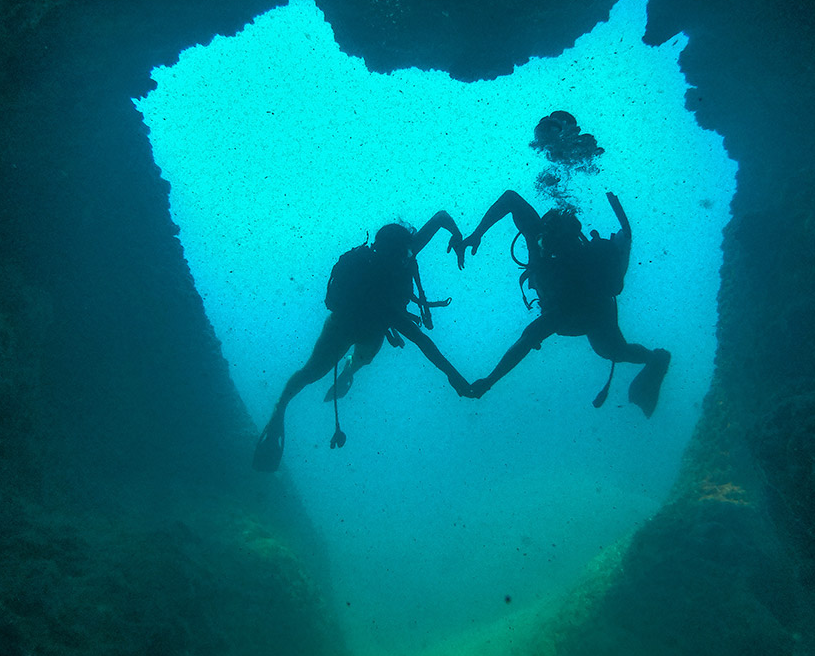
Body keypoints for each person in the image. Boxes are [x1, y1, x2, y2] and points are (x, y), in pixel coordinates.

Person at [253, 212, 470, 471]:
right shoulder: (391, 281)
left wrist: (455, 234)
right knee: (354, 359)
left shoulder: (386, 257)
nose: (409, 257)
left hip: (345, 326)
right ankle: (345, 372)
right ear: (400, 253)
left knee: (312, 372)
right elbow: (422, 342)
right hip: (358, 328)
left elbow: (440, 218)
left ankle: (285, 406)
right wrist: (454, 375)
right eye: (407, 254)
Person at [459, 190, 670, 416]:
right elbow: (510, 198)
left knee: (613, 351)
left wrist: (490, 381)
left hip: (590, 311)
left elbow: (529, 337)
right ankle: (653, 359)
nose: (547, 246)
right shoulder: (540, 237)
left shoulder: (568, 268)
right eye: (546, 238)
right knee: (614, 351)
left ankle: (656, 359)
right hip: (575, 308)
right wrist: (477, 233)